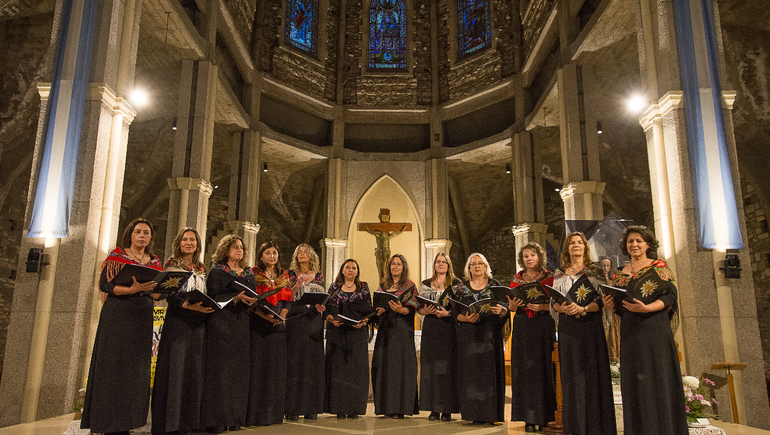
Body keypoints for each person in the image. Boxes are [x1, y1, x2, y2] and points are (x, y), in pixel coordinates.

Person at [602, 226, 688, 435]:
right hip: (631, 332)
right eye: (630, 241)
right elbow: (621, 306)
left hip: (654, 329)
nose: (634, 245)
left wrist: (648, 307)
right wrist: (611, 305)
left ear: (648, 244)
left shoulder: (659, 267)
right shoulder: (620, 273)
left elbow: (670, 296)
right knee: (635, 381)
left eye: (639, 240)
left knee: (658, 378)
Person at [81, 218, 163, 435]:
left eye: (146, 232)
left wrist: (157, 292)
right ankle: (106, 422)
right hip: (118, 316)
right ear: (130, 234)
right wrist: (132, 289)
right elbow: (105, 285)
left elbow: (158, 292)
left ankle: (127, 422)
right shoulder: (117, 257)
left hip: (141, 319)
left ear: (150, 237)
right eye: (138, 232)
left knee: (135, 371)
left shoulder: (154, 262)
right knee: (113, 366)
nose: (142, 236)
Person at [552, 232, 616, 435]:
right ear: (567, 248)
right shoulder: (560, 272)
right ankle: (575, 426)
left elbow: (602, 300)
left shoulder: (595, 270)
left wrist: (584, 309)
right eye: (572, 243)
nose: (576, 245)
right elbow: (554, 301)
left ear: (585, 247)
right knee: (571, 377)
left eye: (580, 242)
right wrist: (561, 309)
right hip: (568, 328)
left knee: (591, 373)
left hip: (590, 327)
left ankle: (597, 426)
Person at [152, 228, 213, 434]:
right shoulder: (171, 265)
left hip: (198, 323)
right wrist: (189, 306)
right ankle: (170, 423)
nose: (189, 243)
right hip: (178, 322)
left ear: (197, 244)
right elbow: (169, 294)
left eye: (193, 240)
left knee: (193, 370)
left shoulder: (202, 267)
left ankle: (188, 421)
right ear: (178, 243)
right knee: (176, 369)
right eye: (185, 240)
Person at [200, 235, 255, 434]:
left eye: (241, 247)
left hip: (241, 323)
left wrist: (249, 299)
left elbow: (253, 293)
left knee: (238, 371)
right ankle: (217, 419)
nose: (239, 250)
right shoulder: (217, 271)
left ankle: (235, 417)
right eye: (234, 247)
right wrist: (235, 296)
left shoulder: (248, 273)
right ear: (225, 250)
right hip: (220, 322)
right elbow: (213, 293)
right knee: (220, 370)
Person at [453, 253, 509, 425]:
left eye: (480, 263)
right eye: (472, 264)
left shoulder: (495, 285)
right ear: (468, 268)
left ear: (486, 266)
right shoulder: (461, 288)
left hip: (490, 333)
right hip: (469, 334)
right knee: (471, 374)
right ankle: (474, 414)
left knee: (489, 373)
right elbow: (455, 313)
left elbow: (505, 308)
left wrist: (502, 311)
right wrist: (465, 318)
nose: (476, 267)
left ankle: (491, 415)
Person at [507, 242, 556, 432]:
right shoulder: (517, 279)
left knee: (544, 368)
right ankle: (527, 417)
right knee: (524, 369)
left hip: (543, 325)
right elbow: (511, 306)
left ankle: (545, 416)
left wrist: (543, 307)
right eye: (526, 256)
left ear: (539, 257)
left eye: (533, 255)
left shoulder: (550, 278)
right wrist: (514, 305)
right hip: (523, 325)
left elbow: (556, 302)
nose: (529, 258)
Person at [247, 241, 293, 426]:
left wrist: (282, 315)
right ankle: (256, 415)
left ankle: (273, 414)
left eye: (274, 253)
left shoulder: (284, 276)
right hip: (259, 326)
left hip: (278, 329)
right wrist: (265, 317)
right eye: (268, 253)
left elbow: (288, 300)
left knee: (275, 372)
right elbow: (252, 301)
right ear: (261, 256)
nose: (272, 256)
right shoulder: (253, 274)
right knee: (259, 370)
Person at [324, 259, 373, 419]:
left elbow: (369, 311)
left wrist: (364, 321)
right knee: (339, 369)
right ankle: (339, 407)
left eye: (354, 268)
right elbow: (327, 309)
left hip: (357, 334)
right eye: (347, 267)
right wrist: (332, 320)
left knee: (356, 371)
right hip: (338, 333)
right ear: (342, 270)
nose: (351, 270)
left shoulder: (364, 288)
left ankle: (354, 408)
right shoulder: (334, 288)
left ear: (357, 271)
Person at [372, 254, 419, 418]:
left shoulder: (410, 285)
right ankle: (386, 407)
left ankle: (401, 408)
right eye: (393, 264)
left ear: (403, 267)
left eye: (398, 264)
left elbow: (412, 309)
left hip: (402, 330)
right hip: (385, 329)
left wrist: (401, 310)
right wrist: (378, 310)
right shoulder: (383, 285)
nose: (395, 267)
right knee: (385, 366)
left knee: (401, 368)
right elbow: (377, 305)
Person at [417, 253, 461, 422]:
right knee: (431, 368)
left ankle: (447, 409)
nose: (441, 264)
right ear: (434, 265)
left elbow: (461, 308)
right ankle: (434, 408)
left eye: (444, 262)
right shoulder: (426, 284)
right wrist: (424, 311)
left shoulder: (457, 284)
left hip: (449, 328)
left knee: (447, 369)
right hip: (431, 327)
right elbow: (420, 308)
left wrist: (448, 313)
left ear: (449, 265)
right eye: (438, 262)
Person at [285, 244, 326, 421]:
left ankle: (311, 407)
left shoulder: (319, 276)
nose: (302, 254)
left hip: (314, 321)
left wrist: (321, 306)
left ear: (312, 256)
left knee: (313, 364)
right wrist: (297, 284)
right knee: (295, 363)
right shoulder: (289, 274)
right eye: (299, 252)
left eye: (305, 252)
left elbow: (322, 295)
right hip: (296, 320)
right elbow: (287, 296)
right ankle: (293, 408)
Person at [599, 255, 621, 361]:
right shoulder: (598, 280)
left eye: (607, 266)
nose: (605, 268)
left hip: (613, 314)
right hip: (603, 312)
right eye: (603, 265)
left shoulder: (613, 280)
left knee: (614, 334)